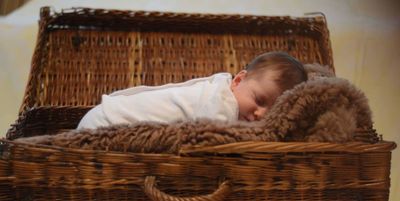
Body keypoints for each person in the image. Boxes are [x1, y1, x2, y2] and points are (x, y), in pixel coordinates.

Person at [77, 51, 307, 130]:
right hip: (105, 124)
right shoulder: (222, 103)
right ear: (238, 81)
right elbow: (217, 144)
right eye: (259, 100)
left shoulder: (219, 88)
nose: (260, 114)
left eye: (272, 111)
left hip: (103, 114)